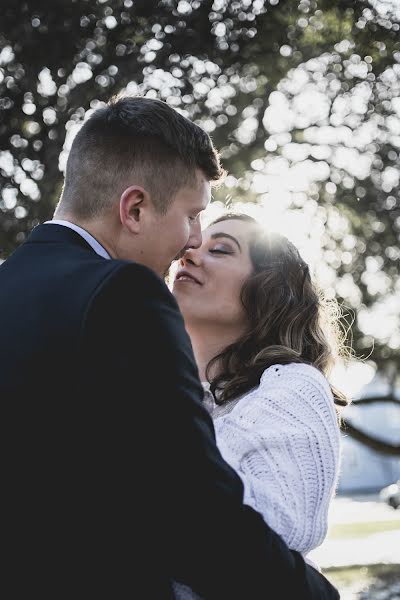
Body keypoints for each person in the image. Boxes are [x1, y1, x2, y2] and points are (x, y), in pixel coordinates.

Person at [0, 95, 340, 599]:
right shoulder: (121, 294)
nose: (192, 243)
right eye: (191, 217)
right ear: (134, 208)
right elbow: (192, 513)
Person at [173, 213, 350, 583]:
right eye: (190, 245)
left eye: (220, 249)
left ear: (267, 289)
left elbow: (271, 533)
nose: (187, 255)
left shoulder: (295, 388)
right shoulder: (163, 388)